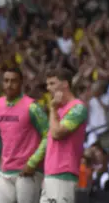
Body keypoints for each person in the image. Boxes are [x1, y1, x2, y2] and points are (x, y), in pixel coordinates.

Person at [0, 68, 48, 203]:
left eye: (14, 81)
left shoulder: (32, 107)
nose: (9, 84)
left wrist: (32, 163)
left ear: (21, 83)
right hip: (5, 172)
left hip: (27, 172)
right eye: (6, 81)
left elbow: (48, 135)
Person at [40, 69, 88, 203]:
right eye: (47, 84)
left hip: (63, 174)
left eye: (52, 83)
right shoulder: (58, 109)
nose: (48, 88)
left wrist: (53, 109)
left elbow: (57, 133)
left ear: (65, 84)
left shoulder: (78, 108)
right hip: (51, 175)